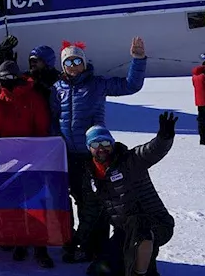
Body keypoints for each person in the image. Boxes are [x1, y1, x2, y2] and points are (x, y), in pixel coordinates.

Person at [51, 37, 147, 263]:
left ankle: (95, 245)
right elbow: (53, 118)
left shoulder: (97, 84)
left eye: (77, 61)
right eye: (69, 63)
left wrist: (138, 60)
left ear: (84, 62)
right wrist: (54, 141)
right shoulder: (57, 89)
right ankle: (71, 241)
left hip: (93, 155)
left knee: (93, 202)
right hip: (65, 155)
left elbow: (131, 85)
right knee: (68, 200)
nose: (73, 67)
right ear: (63, 66)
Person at [83, 114, 176, 276]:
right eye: (95, 144)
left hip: (154, 224)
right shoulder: (92, 173)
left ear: (112, 144)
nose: (101, 148)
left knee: (138, 225)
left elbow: (151, 151)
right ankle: (142, 268)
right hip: (124, 229)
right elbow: (94, 211)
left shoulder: (129, 161)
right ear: (89, 148)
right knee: (102, 275)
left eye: (105, 143)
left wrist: (164, 138)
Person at [0, 60, 55, 267]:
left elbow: (42, 127)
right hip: (7, 161)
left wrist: (38, 153)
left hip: (31, 159)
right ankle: (19, 241)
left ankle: (41, 247)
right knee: (12, 200)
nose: (8, 82)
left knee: (35, 201)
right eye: (4, 78)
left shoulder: (33, 97)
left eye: (11, 77)